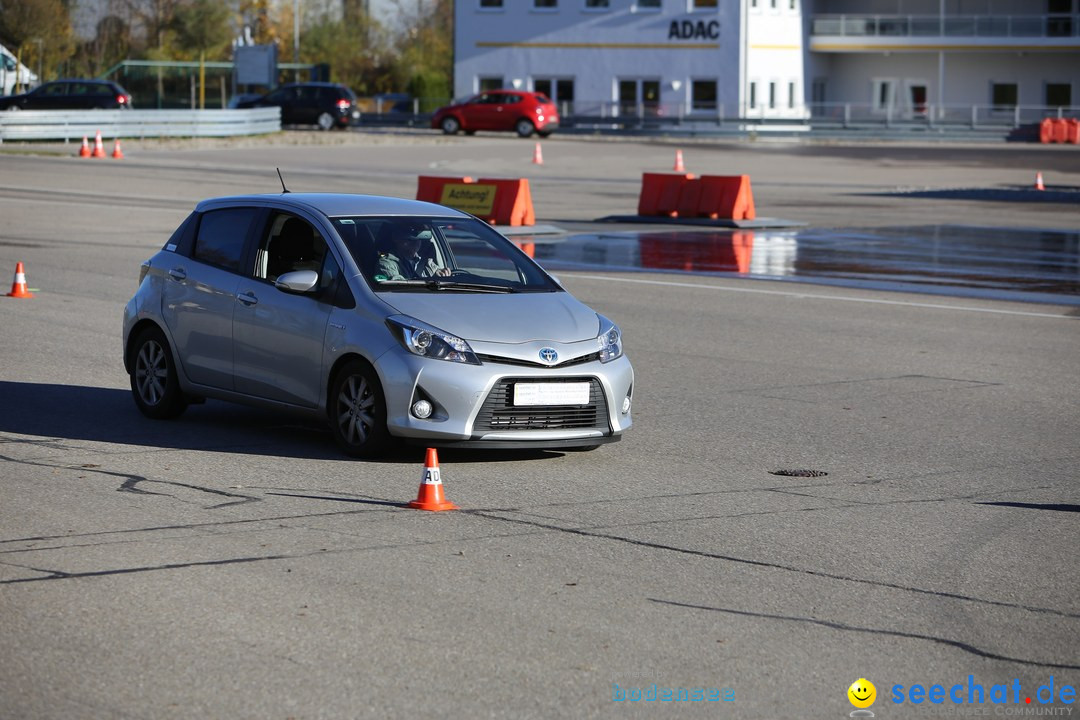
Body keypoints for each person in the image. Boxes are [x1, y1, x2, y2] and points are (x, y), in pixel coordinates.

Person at [376, 225, 450, 280]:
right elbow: (399, 289)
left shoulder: (427, 263)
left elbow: (441, 276)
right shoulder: (387, 263)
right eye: (410, 237)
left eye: (419, 237)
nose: (415, 241)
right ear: (396, 238)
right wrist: (432, 281)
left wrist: (443, 273)